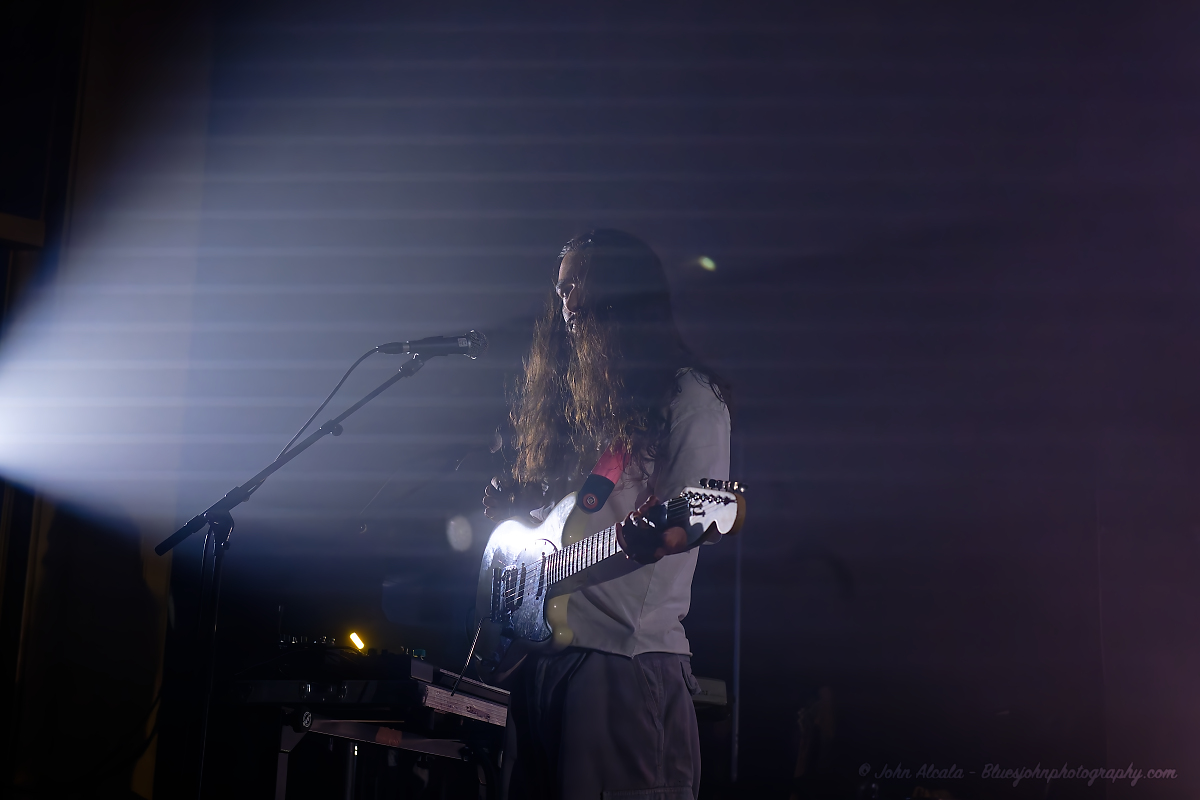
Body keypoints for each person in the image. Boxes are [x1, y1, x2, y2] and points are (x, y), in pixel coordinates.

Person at [483, 229, 731, 800]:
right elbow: (566, 521)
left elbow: (700, 509)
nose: (567, 303)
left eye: (580, 286)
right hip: (538, 659)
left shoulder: (689, 398)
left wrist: (666, 532)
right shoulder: (580, 407)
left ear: (623, 292)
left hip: (623, 660)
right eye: (561, 289)